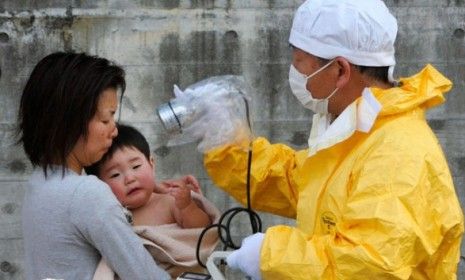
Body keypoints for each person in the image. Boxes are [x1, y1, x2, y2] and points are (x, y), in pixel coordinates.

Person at [201, 0, 464, 279]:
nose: (296, 74)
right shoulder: (361, 131)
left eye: (299, 63)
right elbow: (294, 180)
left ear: (340, 70)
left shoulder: (396, 154)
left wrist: (269, 255)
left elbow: (370, 263)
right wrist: (225, 145)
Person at [18, 52, 170, 280]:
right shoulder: (87, 193)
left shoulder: (39, 182)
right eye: (106, 120)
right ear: (70, 122)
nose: (114, 130)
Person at [85, 124, 219, 279]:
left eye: (136, 166)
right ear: (100, 186)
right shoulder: (111, 215)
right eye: (115, 175)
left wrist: (187, 206)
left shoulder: (169, 201)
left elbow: (200, 230)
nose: (130, 178)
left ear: (151, 164)